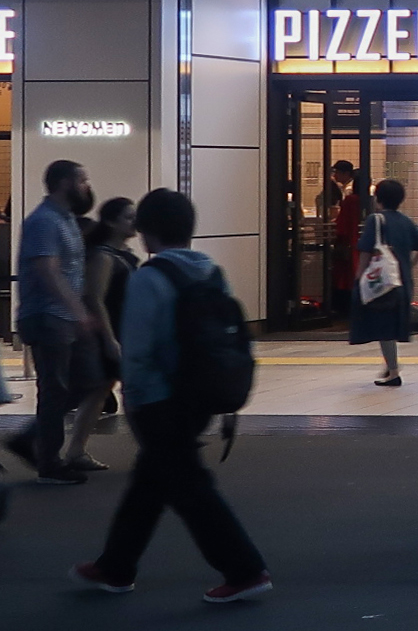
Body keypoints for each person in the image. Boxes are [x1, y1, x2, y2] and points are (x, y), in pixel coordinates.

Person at [70, 188, 272, 604]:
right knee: (151, 482)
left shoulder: (150, 277)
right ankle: (115, 566)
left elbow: (140, 348)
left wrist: (133, 398)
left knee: (189, 487)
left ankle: (245, 569)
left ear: (146, 232)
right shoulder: (211, 270)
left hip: (161, 399)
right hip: (201, 393)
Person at [9, 160, 104, 486]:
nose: (86, 186)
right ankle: (49, 463)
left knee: (89, 380)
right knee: (55, 389)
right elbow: (48, 271)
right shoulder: (44, 221)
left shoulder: (65, 221)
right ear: (65, 183)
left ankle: (32, 439)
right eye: (82, 180)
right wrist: (77, 311)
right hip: (48, 316)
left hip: (63, 316)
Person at [64, 198, 140, 475]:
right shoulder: (105, 256)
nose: (134, 222)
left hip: (119, 331)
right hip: (111, 332)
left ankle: (75, 449)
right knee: (109, 390)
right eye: (128, 217)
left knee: (99, 391)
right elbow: (95, 299)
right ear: (111, 222)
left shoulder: (120, 254)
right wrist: (109, 339)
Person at [352, 177, 418, 389]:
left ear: (377, 198)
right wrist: (411, 264)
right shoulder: (405, 220)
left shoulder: (375, 220)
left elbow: (366, 251)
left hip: (383, 283)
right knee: (391, 325)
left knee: (384, 326)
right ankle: (390, 367)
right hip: (402, 281)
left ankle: (393, 371)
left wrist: (359, 277)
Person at [326, 160, 363, 317]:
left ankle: (343, 309)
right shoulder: (366, 199)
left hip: (349, 244)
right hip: (358, 244)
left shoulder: (350, 199)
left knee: (344, 277)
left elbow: (342, 227)